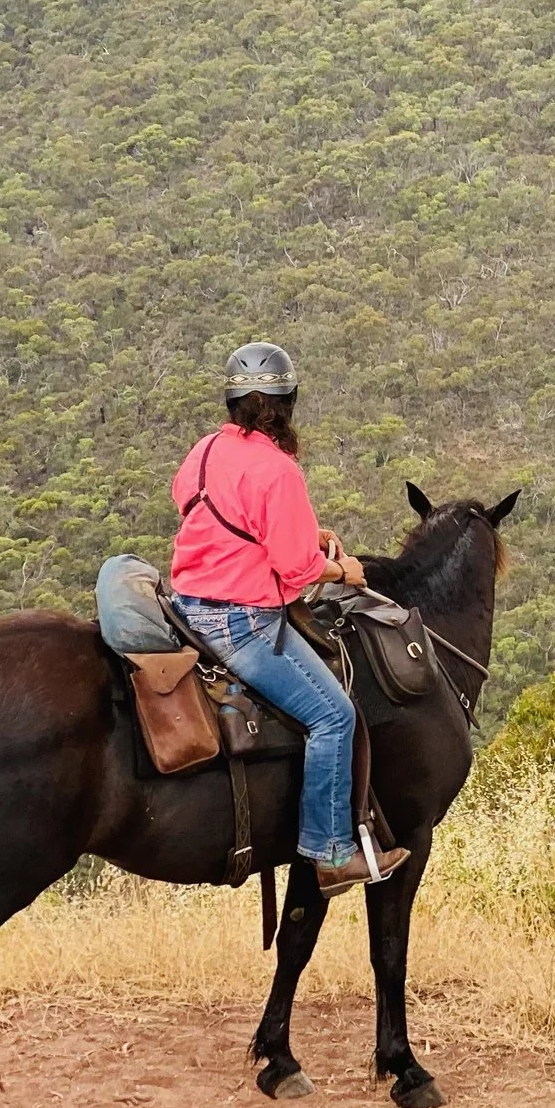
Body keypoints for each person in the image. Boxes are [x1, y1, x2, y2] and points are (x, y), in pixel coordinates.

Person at [167, 341, 402, 895]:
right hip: (241, 622)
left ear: (232, 404)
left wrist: (301, 534)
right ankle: (329, 853)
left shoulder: (202, 452)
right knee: (334, 717)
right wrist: (345, 571)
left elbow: (204, 510)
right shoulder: (278, 471)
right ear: (287, 403)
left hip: (186, 609)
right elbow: (295, 571)